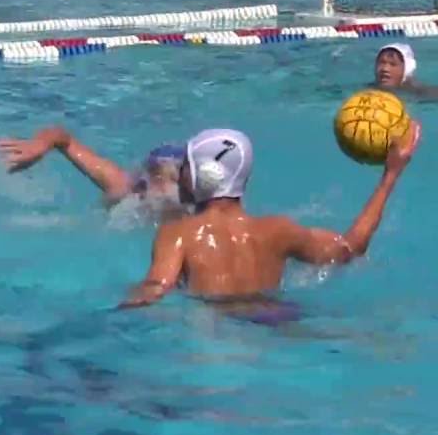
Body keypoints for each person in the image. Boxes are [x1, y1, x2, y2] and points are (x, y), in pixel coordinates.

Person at [119, 125, 421, 312]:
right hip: (277, 317)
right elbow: (350, 249)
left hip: (216, 330)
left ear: (206, 175)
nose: (178, 173)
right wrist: (390, 175)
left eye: (185, 166)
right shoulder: (279, 230)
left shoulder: (178, 233)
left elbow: (155, 289)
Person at [0, 126, 188, 219]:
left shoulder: (199, 209)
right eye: (156, 176)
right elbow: (63, 138)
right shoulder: (124, 187)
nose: (161, 187)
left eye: (170, 178)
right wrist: (40, 144)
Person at [373, 42, 438, 97]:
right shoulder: (369, 90)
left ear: (406, 70)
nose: (385, 69)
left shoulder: (422, 92)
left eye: (393, 64)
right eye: (381, 63)